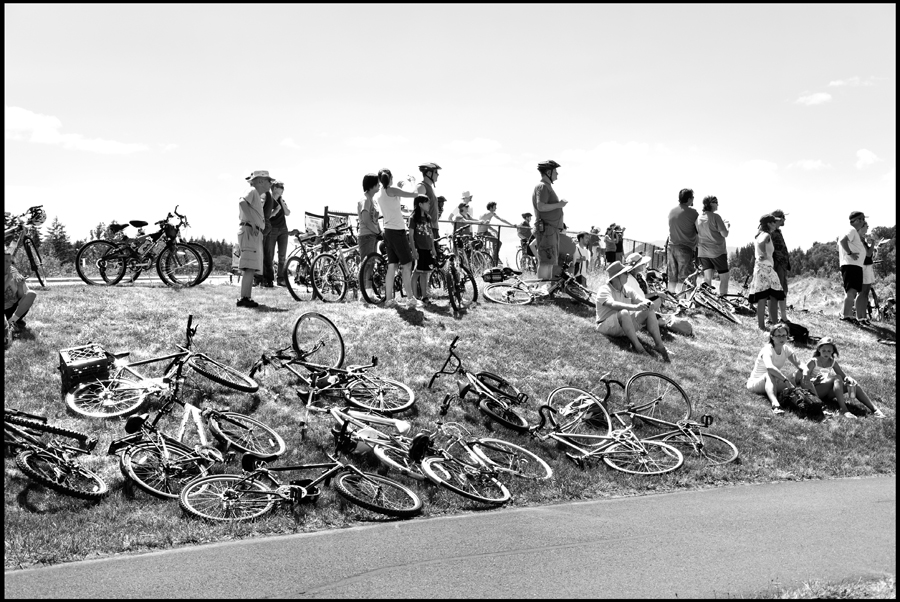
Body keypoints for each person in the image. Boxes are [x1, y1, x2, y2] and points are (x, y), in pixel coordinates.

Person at [595, 261, 670, 361]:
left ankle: (659, 345)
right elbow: (612, 304)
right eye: (625, 273)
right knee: (624, 312)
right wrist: (635, 307)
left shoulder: (626, 289)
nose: (627, 274)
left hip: (623, 325)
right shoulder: (604, 289)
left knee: (649, 309)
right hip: (605, 326)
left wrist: (647, 303)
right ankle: (639, 348)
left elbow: (640, 298)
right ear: (617, 277)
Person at [802, 337, 886, 419]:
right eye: (824, 350)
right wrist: (814, 380)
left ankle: (875, 410)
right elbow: (803, 380)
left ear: (833, 351)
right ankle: (844, 409)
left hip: (827, 393)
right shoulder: (813, 361)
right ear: (819, 349)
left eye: (829, 351)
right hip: (815, 391)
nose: (826, 353)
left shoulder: (832, 362)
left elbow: (843, 376)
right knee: (836, 378)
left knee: (853, 385)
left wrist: (848, 379)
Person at [376, 168, 420, 309]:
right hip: (397, 232)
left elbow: (393, 205)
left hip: (388, 232)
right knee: (407, 265)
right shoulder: (392, 190)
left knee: (392, 266)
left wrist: (398, 189)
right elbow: (415, 194)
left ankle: (389, 299)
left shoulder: (381, 194)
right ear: (390, 178)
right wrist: (413, 182)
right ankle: (410, 298)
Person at [745, 323, 808, 415]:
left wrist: (805, 371)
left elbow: (799, 363)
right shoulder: (767, 350)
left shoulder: (786, 349)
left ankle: (816, 402)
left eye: (784, 335)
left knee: (800, 373)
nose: (781, 338)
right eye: (778, 336)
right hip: (756, 383)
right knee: (769, 373)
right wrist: (786, 381)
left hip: (774, 381)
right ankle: (775, 405)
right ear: (772, 337)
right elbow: (770, 368)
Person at [235, 170, 273, 308]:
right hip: (249, 231)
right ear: (260, 181)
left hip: (253, 233)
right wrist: (252, 222)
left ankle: (246, 297)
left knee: (251, 267)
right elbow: (242, 202)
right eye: (269, 181)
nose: (271, 184)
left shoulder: (256, 194)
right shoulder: (252, 191)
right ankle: (244, 298)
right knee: (249, 266)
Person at [532, 160, 567, 281]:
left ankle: (545, 287)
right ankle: (542, 288)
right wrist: (559, 205)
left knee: (549, 261)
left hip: (550, 229)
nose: (557, 174)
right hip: (546, 228)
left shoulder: (546, 186)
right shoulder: (542, 186)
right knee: (545, 262)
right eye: (555, 171)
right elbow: (541, 206)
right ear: (548, 172)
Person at [748, 214, 784, 330]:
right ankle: (773, 324)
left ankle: (763, 325)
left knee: (763, 297)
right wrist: (763, 253)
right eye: (774, 222)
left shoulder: (759, 234)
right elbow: (761, 243)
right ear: (769, 224)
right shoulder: (766, 235)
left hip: (760, 267)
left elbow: (760, 242)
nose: (775, 224)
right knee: (774, 295)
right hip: (766, 268)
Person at [696, 195, 731, 296]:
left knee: (707, 278)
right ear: (711, 204)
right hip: (717, 251)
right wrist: (727, 226)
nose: (718, 204)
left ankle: (707, 299)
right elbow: (725, 234)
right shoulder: (716, 217)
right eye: (716, 202)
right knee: (724, 277)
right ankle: (723, 299)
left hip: (703, 252)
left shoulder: (698, 218)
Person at [667, 188, 699, 293]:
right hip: (685, 248)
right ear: (689, 199)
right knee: (686, 278)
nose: (693, 199)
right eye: (692, 197)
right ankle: (685, 299)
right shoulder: (693, 213)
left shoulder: (672, 211)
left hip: (671, 247)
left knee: (672, 276)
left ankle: (670, 298)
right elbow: (699, 230)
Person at [838, 211, 868, 324]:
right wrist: (850, 253)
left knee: (852, 291)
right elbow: (843, 241)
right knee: (851, 291)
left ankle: (848, 315)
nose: (863, 221)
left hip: (853, 265)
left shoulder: (852, 231)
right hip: (851, 265)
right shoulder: (851, 230)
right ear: (855, 221)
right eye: (861, 219)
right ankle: (846, 316)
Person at [4, 246, 37, 341]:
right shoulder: (10, 276)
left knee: (31, 294)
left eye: (10, 261)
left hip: (12, 309)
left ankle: (11, 322)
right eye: (6, 261)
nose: (9, 264)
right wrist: (9, 279)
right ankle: (12, 324)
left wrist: (20, 286)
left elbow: (21, 297)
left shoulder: (14, 273)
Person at [408, 195, 436, 304]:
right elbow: (411, 236)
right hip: (419, 249)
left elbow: (431, 234)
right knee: (417, 272)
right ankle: (414, 297)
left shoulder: (428, 218)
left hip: (428, 249)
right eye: (427, 203)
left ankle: (424, 297)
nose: (429, 204)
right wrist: (414, 250)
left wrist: (433, 248)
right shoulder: (413, 218)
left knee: (425, 273)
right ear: (420, 204)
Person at [264, 180, 291, 287]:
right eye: (281, 187)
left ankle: (281, 278)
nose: (282, 190)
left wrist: (281, 201)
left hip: (283, 229)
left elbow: (287, 213)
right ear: (274, 188)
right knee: (270, 255)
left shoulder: (282, 200)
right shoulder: (268, 200)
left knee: (282, 256)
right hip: (272, 229)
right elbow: (266, 214)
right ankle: (269, 278)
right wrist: (275, 202)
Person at [769, 209, 791, 324]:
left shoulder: (776, 231)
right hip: (777, 264)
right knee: (776, 291)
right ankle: (775, 317)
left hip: (781, 264)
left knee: (782, 290)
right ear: (778, 219)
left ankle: (782, 316)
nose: (784, 220)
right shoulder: (772, 232)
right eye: (783, 217)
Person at [476, 201, 514, 265]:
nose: (496, 208)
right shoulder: (491, 213)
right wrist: (511, 225)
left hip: (482, 232)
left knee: (496, 241)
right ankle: (495, 258)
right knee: (498, 242)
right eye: (495, 207)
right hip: (483, 233)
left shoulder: (485, 214)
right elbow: (501, 219)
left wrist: (494, 230)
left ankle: (495, 257)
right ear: (491, 208)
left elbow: (486, 225)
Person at [357, 173, 382, 260]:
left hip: (373, 235)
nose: (379, 185)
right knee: (367, 264)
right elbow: (366, 220)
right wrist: (377, 232)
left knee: (371, 263)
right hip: (366, 236)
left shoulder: (373, 200)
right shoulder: (365, 199)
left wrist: (380, 232)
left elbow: (375, 220)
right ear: (372, 184)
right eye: (378, 183)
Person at [415, 162, 442, 241]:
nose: (438, 174)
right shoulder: (422, 187)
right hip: (427, 229)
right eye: (436, 172)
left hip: (433, 228)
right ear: (429, 173)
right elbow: (417, 207)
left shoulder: (430, 188)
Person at [858, 221, 875, 326]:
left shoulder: (863, 239)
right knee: (862, 293)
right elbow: (868, 254)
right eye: (866, 226)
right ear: (862, 227)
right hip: (864, 267)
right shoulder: (860, 239)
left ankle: (863, 317)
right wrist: (873, 243)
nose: (868, 228)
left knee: (866, 294)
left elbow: (869, 254)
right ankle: (860, 317)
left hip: (868, 266)